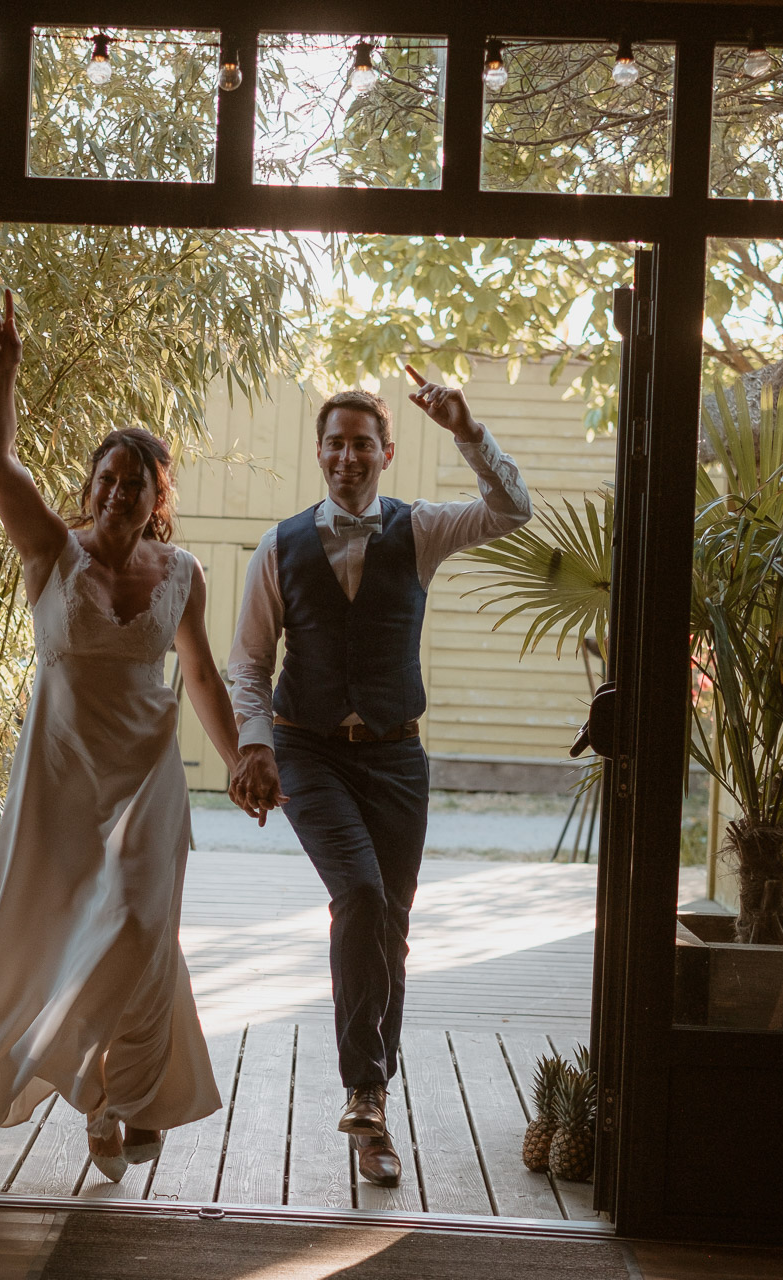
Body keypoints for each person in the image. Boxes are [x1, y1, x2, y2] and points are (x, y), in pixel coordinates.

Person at [0, 290, 261, 1182]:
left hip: (147, 781)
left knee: (138, 929)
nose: (116, 492)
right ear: (88, 488)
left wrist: (247, 751)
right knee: (50, 935)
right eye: (104, 479)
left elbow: (202, 676)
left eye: (135, 482)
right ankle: (108, 1102)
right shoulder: (50, 554)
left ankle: (120, 1092)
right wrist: (5, 371)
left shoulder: (183, 574)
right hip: (60, 780)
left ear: (156, 498)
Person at [226, 373, 531, 1187]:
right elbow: (249, 666)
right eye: (335, 443)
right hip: (309, 751)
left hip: (397, 757)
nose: (348, 456)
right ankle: (365, 1089)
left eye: (363, 443)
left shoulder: (421, 530)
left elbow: (513, 510)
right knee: (358, 897)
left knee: (391, 927)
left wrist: (468, 430)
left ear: (386, 453)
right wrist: (253, 746)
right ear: (320, 454)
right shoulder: (280, 544)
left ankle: (375, 1107)